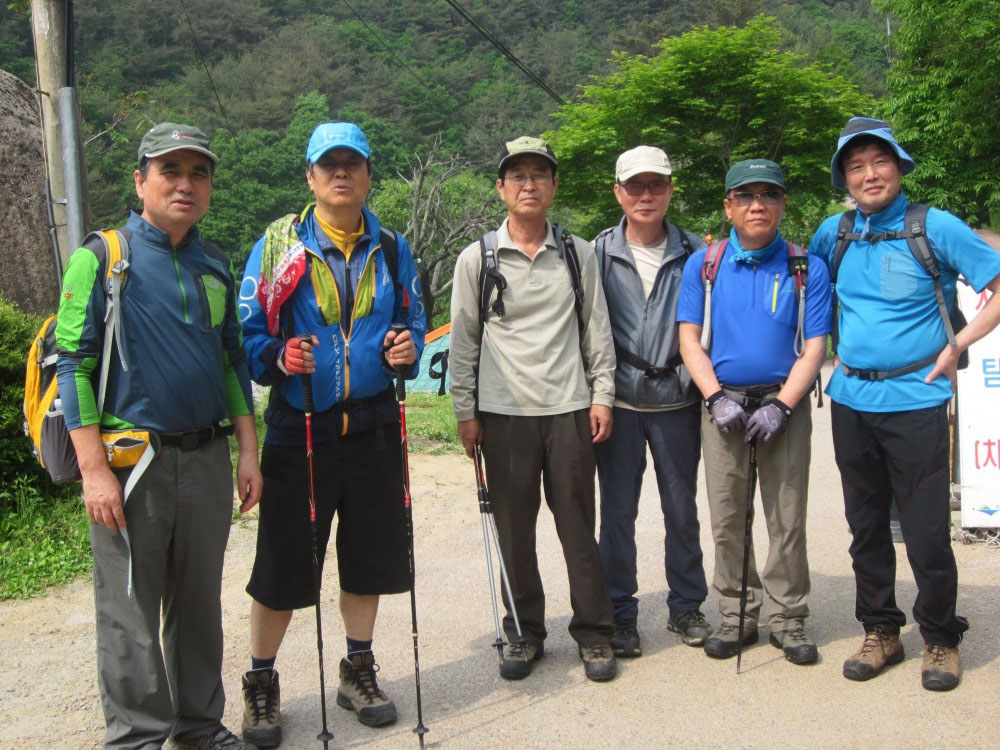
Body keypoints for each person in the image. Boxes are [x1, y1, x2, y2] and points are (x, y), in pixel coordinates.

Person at [56, 122, 262, 750]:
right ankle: (139, 736)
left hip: (204, 454)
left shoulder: (214, 264)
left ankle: (199, 724)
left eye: (198, 172)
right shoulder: (102, 257)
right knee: (131, 612)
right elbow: (74, 364)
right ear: (140, 180)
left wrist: (248, 451)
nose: (185, 184)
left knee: (198, 602)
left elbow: (232, 363)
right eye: (169, 170)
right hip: (130, 461)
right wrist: (93, 469)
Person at [236, 122, 425, 747]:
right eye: (329, 164)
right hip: (301, 425)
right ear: (310, 176)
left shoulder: (393, 249)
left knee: (369, 556)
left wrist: (406, 348)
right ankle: (261, 681)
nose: (341, 173)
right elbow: (250, 332)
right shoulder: (278, 248)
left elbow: (414, 323)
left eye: (353, 163)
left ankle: (358, 669)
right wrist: (277, 357)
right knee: (285, 561)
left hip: (372, 421)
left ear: (369, 174)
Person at [809, 117, 1000, 691]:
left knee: (924, 528)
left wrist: (956, 347)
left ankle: (940, 637)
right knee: (864, 526)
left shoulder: (934, 226)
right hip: (850, 397)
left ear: (899, 166)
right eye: (856, 166)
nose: (869, 175)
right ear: (845, 177)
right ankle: (881, 630)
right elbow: (808, 290)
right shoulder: (834, 232)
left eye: (879, 162)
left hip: (917, 397)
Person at [449, 136, 619, 682]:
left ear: (554, 185)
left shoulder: (577, 251)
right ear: (500, 188)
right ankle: (523, 633)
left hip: (569, 408)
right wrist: (465, 412)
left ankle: (594, 634)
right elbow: (463, 342)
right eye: (517, 175)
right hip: (503, 415)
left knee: (577, 527)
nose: (528, 184)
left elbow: (596, 329)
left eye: (539, 174)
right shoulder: (478, 257)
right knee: (514, 531)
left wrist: (603, 395)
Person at [677, 159, 830, 665]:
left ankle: (788, 618)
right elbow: (690, 341)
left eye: (768, 194)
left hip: (782, 406)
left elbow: (814, 347)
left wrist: (784, 405)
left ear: (783, 203)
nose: (757, 204)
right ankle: (736, 614)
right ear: (728, 206)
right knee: (727, 516)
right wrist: (715, 397)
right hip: (724, 407)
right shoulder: (705, 264)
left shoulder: (804, 266)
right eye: (745, 196)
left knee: (786, 517)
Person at [592, 146, 712, 657]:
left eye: (656, 185)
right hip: (617, 401)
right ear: (618, 192)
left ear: (670, 190)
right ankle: (619, 612)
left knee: (681, 509)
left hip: (676, 402)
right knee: (616, 513)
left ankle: (686, 604)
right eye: (634, 186)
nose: (645, 195)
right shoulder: (595, 252)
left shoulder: (696, 253)